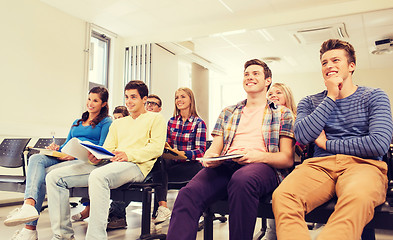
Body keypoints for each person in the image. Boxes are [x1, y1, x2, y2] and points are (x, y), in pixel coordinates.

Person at [272, 39, 393, 240]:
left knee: (357, 198)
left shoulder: (375, 96)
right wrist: (331, 96)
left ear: (351, 66)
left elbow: (378, 143)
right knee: (283, 196)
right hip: (319, 166)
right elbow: (302, 135)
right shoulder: (310, 101)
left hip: (364, 165)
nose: (329, 66)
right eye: (324, 62)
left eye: (335, 60)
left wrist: (327, 144)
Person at [166, 59, 295, 240]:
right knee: (187, 194)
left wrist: (257, 156)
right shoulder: (228, 112)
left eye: (255, 73)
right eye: (246, 74)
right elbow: (215, 149)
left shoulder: (282, 113)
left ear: (268, 80)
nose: (249, 77)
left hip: (262, 166)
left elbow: (286, 158)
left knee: (242, 180)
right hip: (227, 164)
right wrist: (210, 158)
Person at [45, 80, 166, 240]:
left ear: (144, 99)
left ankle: (96, 237)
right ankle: (63, 235)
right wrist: (97, 157)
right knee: (54, 177)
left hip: (136, 166)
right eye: (126, 97)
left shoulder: (156, 119)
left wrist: (128, 155)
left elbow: (156, 149)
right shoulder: (118, 123)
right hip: (111, 164)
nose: (129, 101)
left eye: (133, 97)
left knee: (98, 176)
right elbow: (108, 148)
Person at [4, 87, 112, 240]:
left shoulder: (106, 122)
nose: (90, 103)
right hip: (66, 155)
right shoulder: (77, 122)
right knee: (36, 159)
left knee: (41, 176)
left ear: (103, 104)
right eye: (89, 99)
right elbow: (67, 144)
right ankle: (29, 205)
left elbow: (101, 148)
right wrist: (57, 149)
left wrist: (74, 156)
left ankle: (30, 229)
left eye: (95, 100)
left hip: (83, 159)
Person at [152, 87, 206, 227]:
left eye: (183, 97)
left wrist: (183, 154)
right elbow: (167, 145)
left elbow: (200, 152)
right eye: (177, 97)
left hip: (191, 166)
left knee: (161, 172)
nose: (179, 100)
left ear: (190, 100)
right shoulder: (171, 122)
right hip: (173, 163)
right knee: (158, 161)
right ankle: (163, 207)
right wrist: (168, 149)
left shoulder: (199, 123)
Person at [71, 105, 130, 224]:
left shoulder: (128, 130)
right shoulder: (112, 129)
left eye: (120, 118)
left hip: (124, 161)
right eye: (116, 118)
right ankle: (88, 208)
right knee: (92, 171)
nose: (117, 121)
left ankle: (117, 214)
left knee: (109, 175)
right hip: (109, 159)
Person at [263, 82, 297, 240]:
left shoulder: (295, 118)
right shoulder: (265, 120)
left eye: (279, 93)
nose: (273, 96)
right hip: (269, 166)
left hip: (292, 169)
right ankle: (271, 234)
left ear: (287, 97)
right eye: (270, 94)